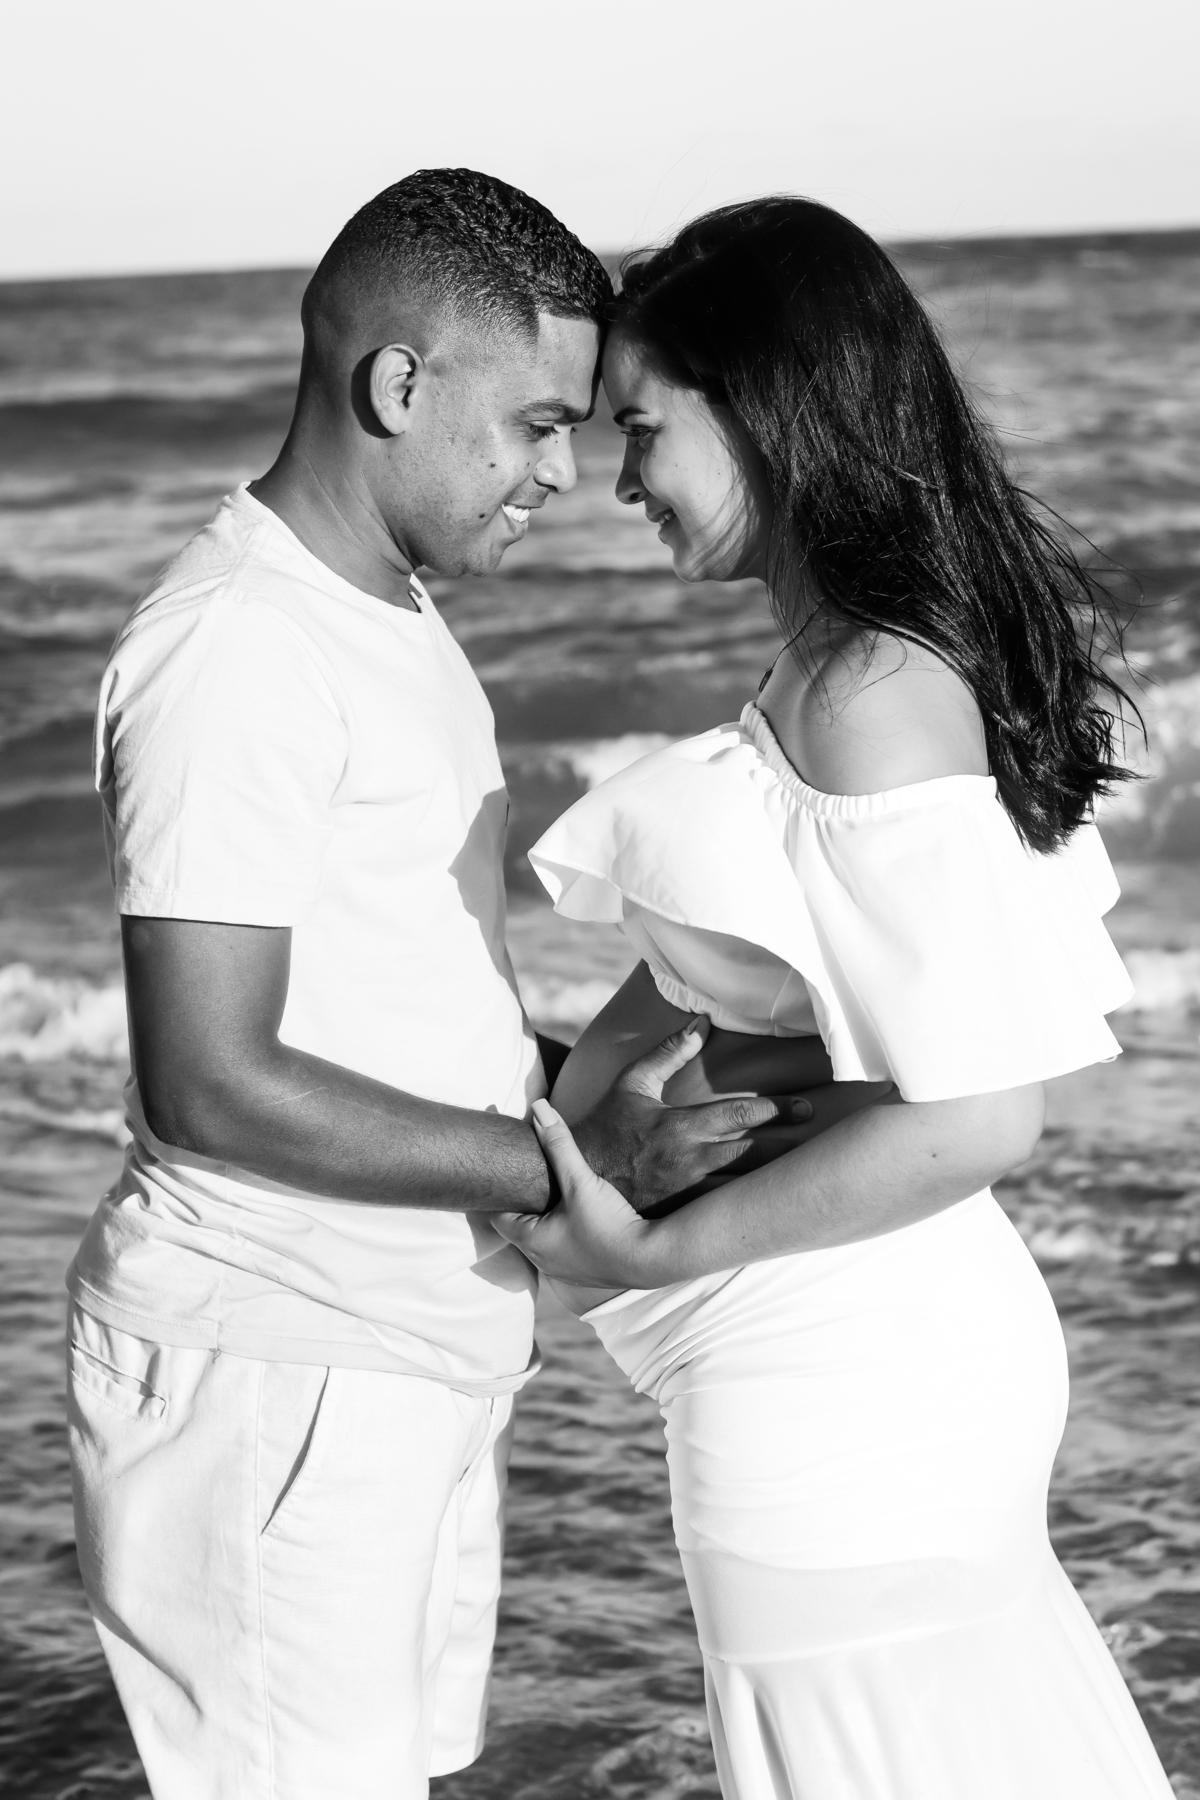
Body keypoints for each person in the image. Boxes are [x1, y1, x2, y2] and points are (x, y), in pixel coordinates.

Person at [65, 170, 819, 1800]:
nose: (566, 472)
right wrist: (569, 1160)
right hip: (275, 1364)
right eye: (538, 423)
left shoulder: (383, 611)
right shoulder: (239, 647)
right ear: (400, 384)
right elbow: (211, 1077)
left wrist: (605, 1075)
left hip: (400, 1344)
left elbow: (390, 989)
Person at [498, 198, 1175, 1797]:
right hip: (859, 1363)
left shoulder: (871, 689)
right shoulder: (848, 663)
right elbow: (766, 1002)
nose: (621, 481)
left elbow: (978, 1116)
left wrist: (647, 1245)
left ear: (768, 406)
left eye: (643, 429)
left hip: (850, 1390)